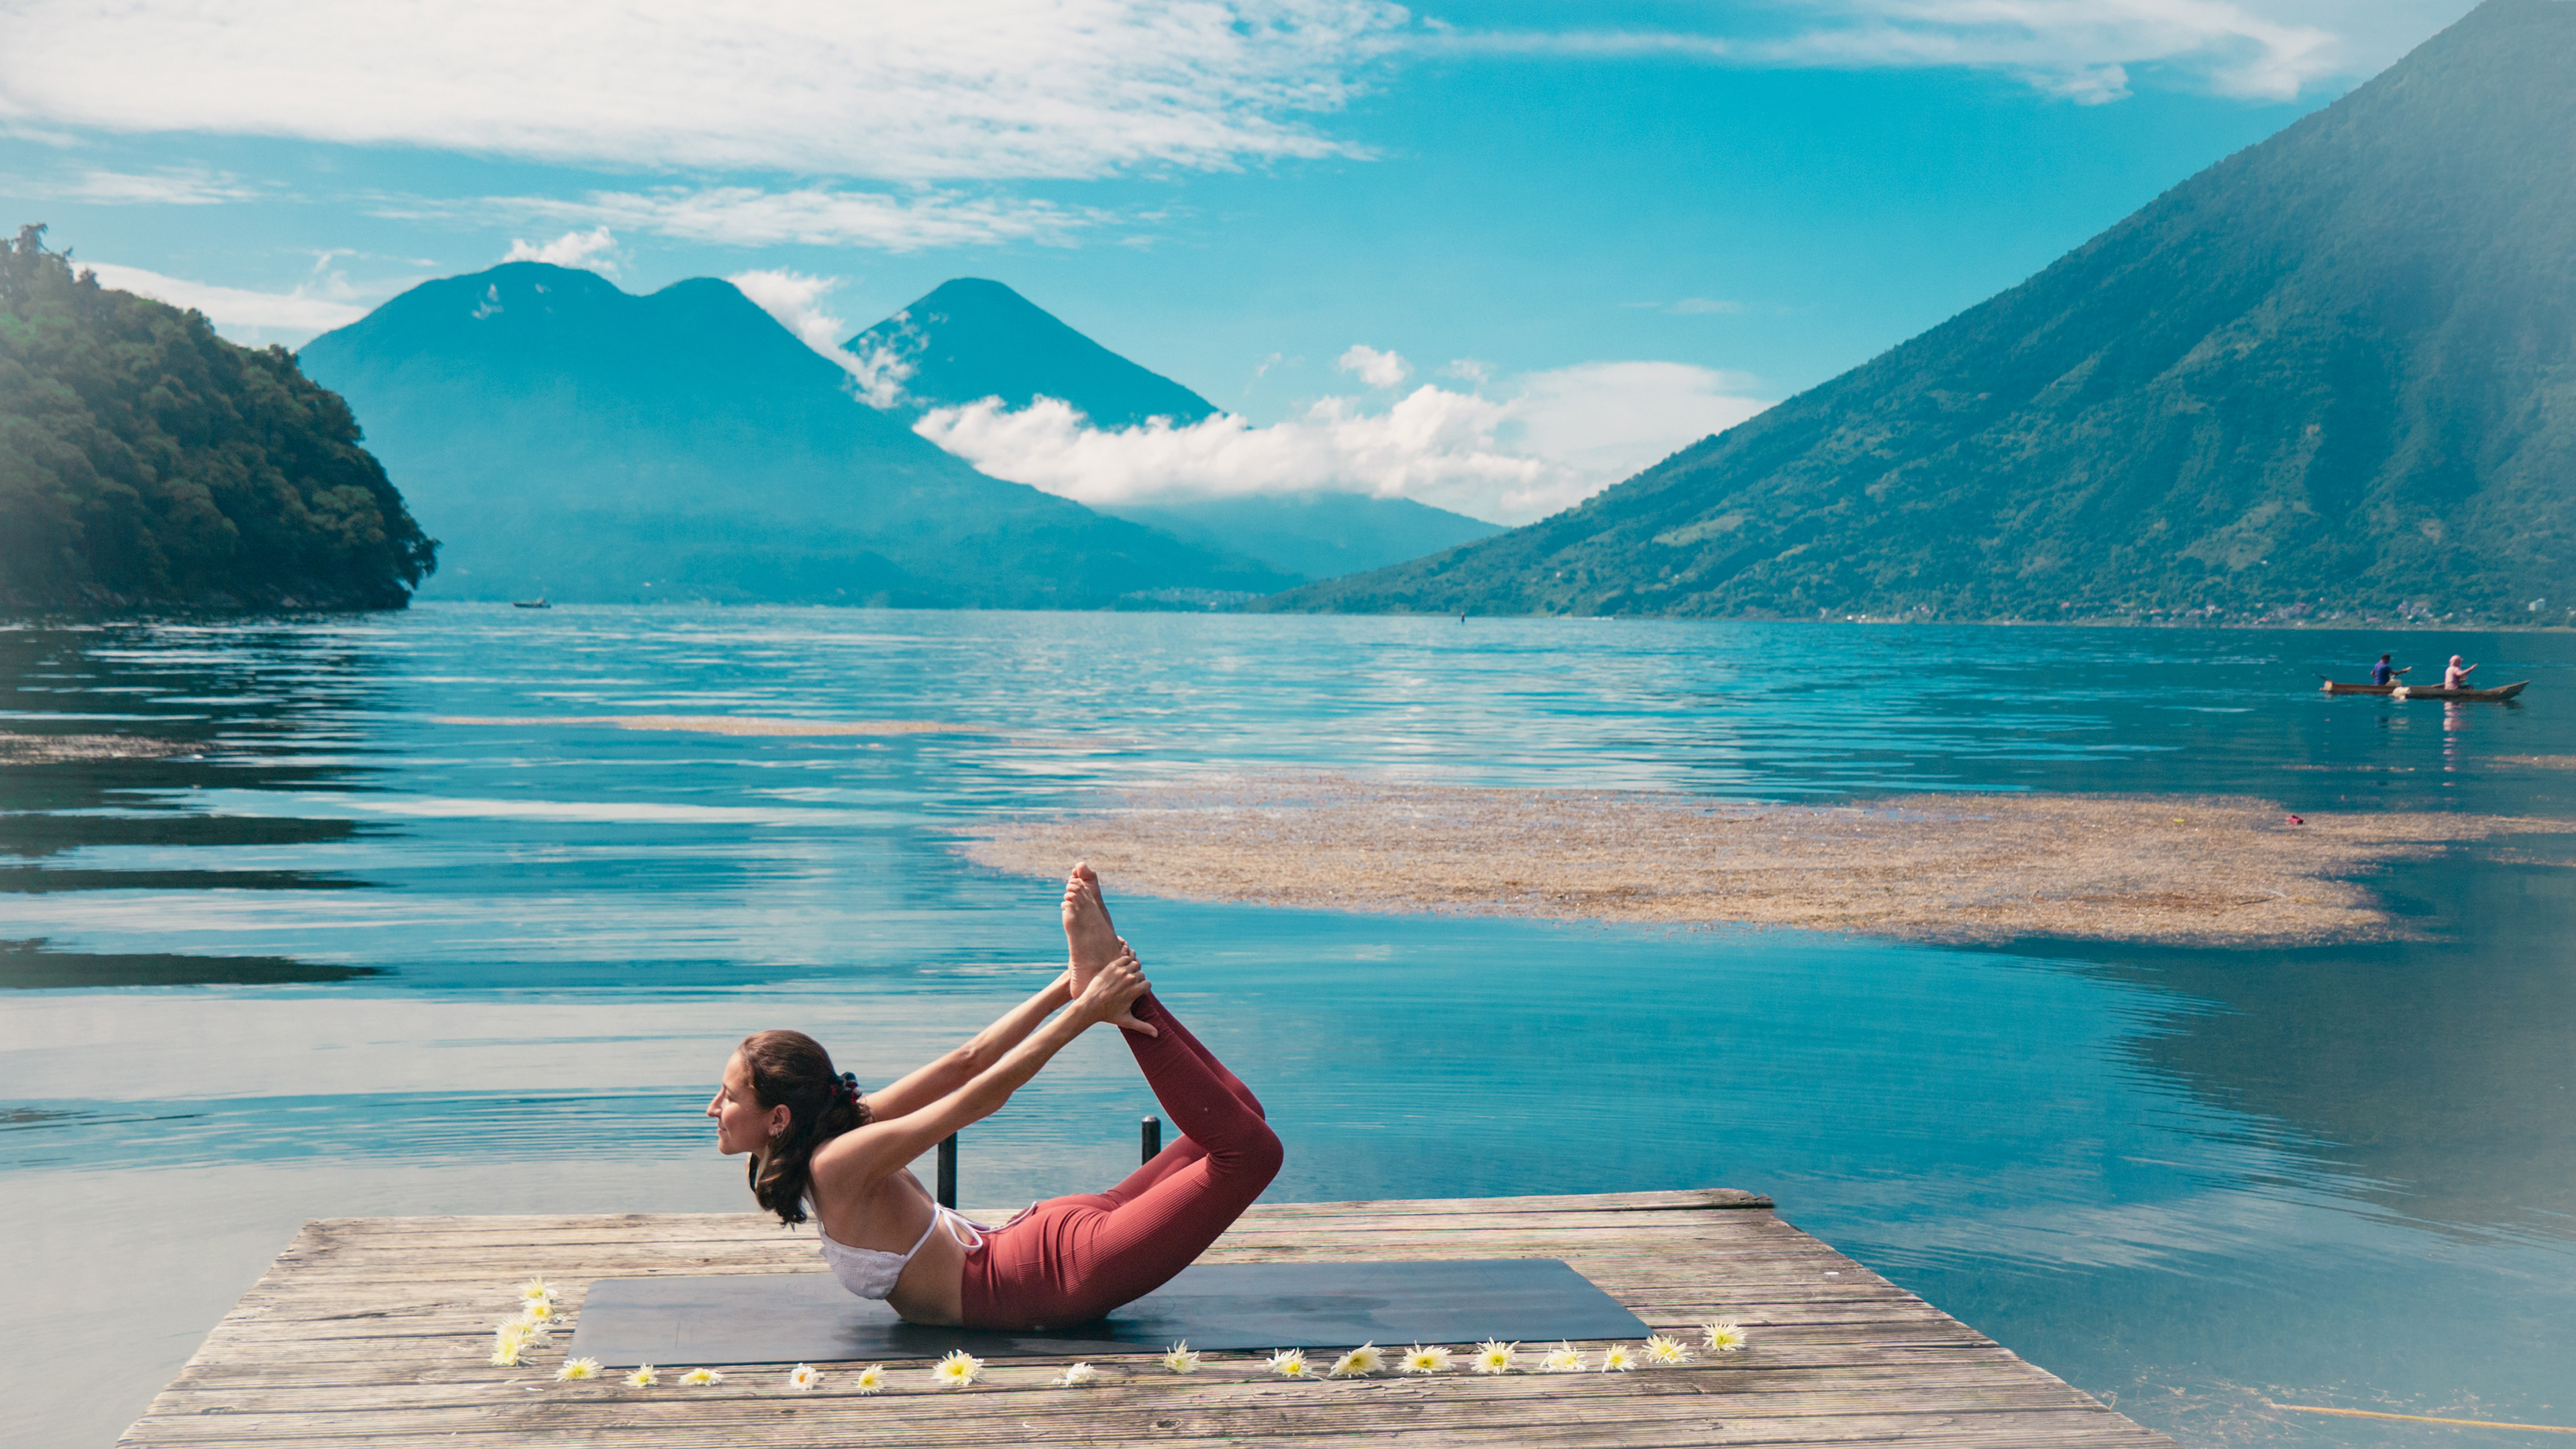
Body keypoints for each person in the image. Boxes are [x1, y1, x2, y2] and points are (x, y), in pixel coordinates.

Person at [706, 865, 1281, 1330]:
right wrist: (1078, 996)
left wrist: (1075, 999)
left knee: (1248, 1145)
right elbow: (972, 1065)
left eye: (728, 1097)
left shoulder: (837, 1160)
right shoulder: (844, 1139)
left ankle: (1129, 999)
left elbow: (976, 1082)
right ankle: (1121, 987)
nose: (714, 1109)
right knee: (1241, 1124)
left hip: (1050, 1276)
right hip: (1043, 1252)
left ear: (780, 1118)